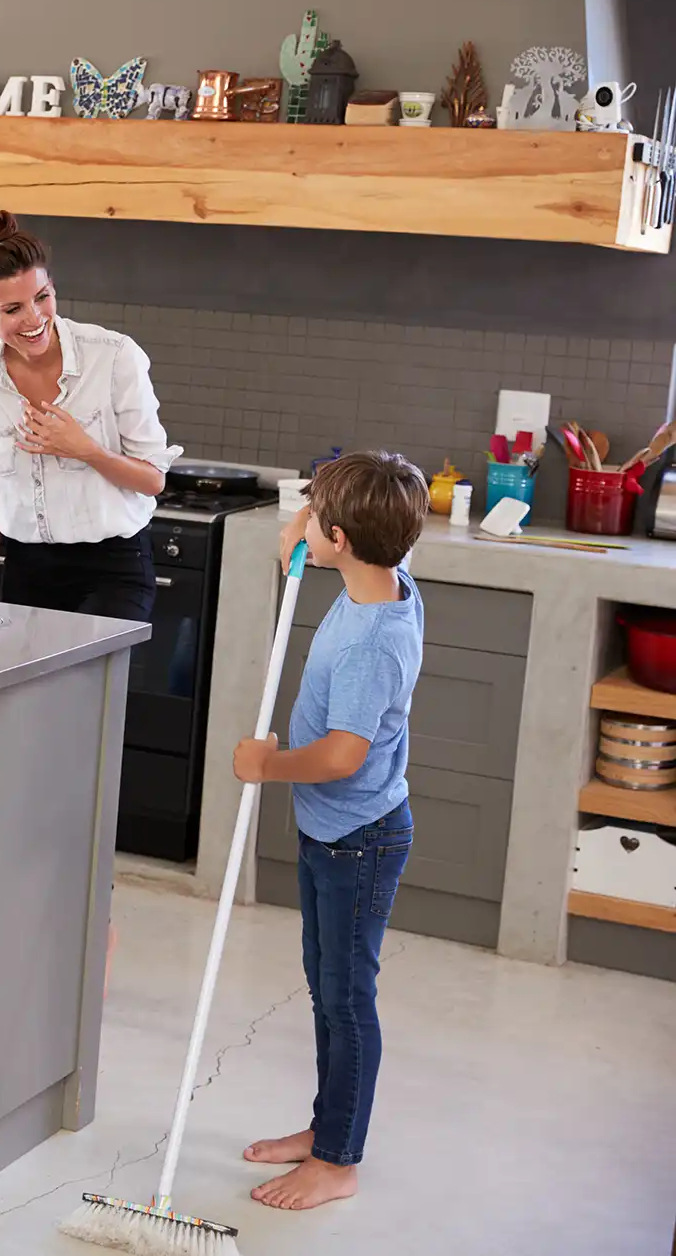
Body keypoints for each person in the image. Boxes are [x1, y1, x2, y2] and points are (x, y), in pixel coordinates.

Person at [232, 451, 428, 1212]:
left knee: (346, 1001)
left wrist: (267, 766)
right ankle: (327, 1128)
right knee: (327, 990)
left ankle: (339, 1159)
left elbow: (344, 755)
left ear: (341, 538)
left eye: (316, 520)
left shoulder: (374, 640)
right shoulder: (386, 576)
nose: (304, 526)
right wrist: (301, 529)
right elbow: (336, 505)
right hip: (335, 832)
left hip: (360, 838)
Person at [0, 210, 179, 622]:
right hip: (26, 568)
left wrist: (85, 449)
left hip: (114, 568)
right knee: (21, 688)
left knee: (89, 686)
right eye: (13, 309)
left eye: (42, 297)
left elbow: (152, 480)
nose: (35, 319)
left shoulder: (112, 356)